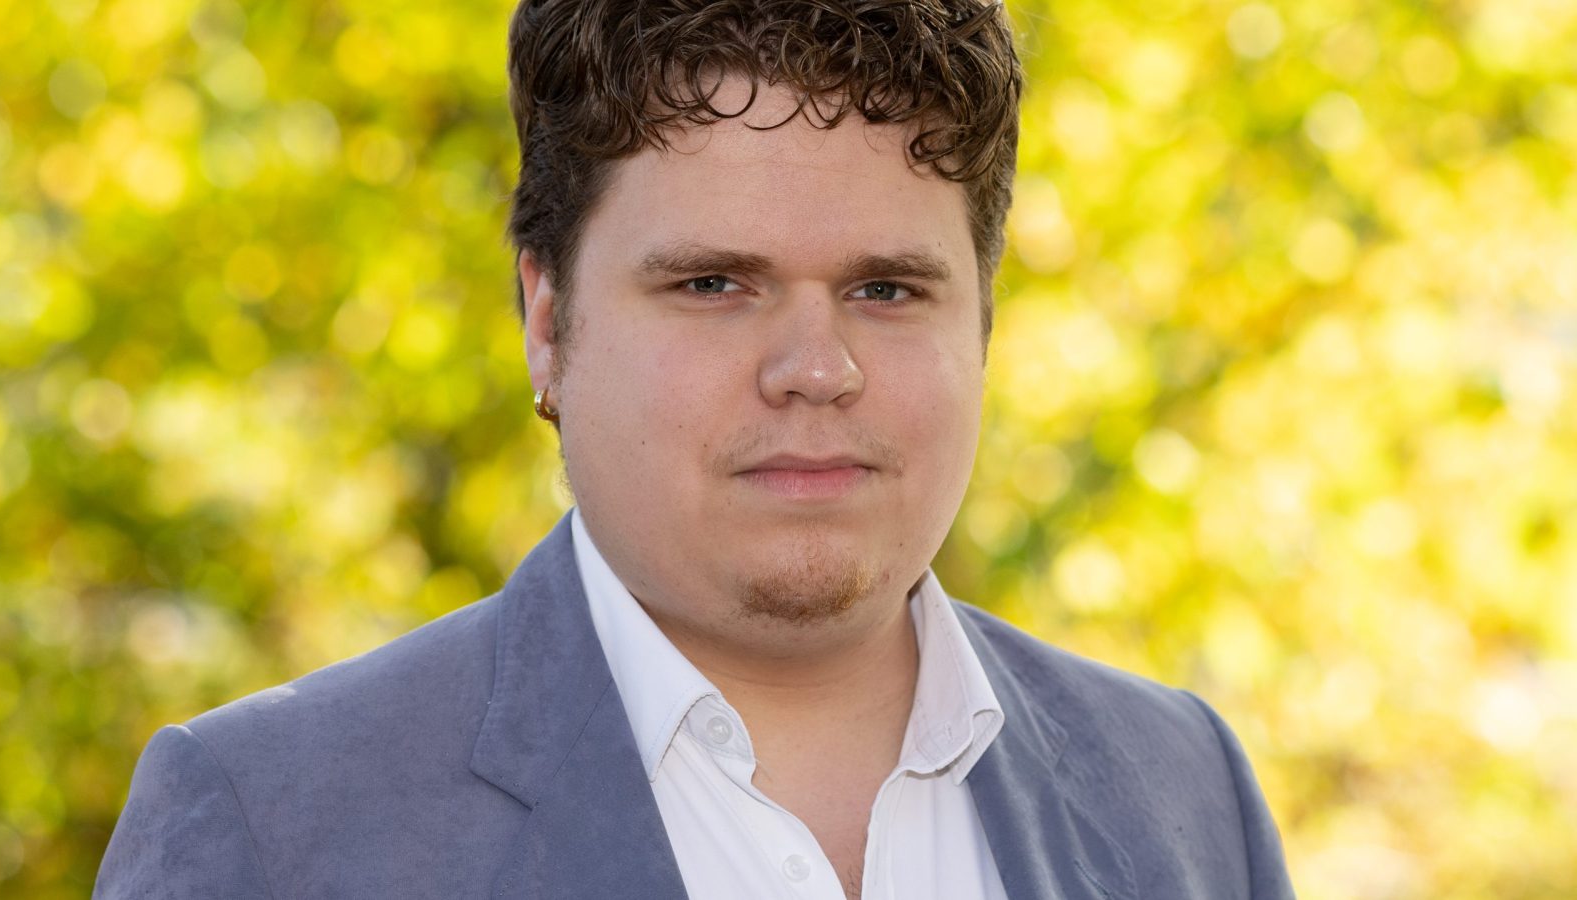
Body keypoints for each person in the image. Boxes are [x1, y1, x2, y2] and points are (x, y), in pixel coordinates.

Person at [95, 1, 1295, 898]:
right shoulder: (273, 830)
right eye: (714, 284)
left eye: (885, 288)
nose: (815, 367)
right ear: (548, 323)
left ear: (981, 324)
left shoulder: (1183, 792)